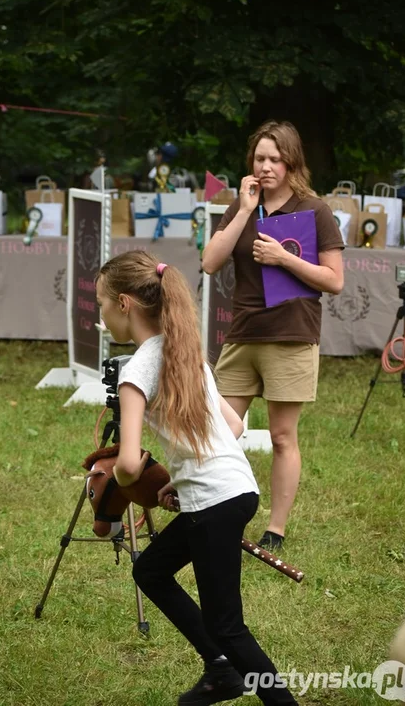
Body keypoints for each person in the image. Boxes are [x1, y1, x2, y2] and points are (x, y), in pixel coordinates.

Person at [95, 251, 299, 706]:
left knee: (229, 626)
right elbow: (234, 426)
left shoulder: (135, 372)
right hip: (233, 490)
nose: (101, 314)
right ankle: (221, 668)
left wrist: (128, 482)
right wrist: (182, 477)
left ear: (125, 304)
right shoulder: (183, 351)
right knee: (150, 568)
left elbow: (127, 464)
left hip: (213, 503)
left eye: (102, 304)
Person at [202, 120, 344, 552]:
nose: (265, 167)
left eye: (274, 160)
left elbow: (333, 280)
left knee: (282, 436)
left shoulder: (313, 210)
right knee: (220, 430)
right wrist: (244, 210)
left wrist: (284, 258)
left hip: (291, 335)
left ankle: (275, 529)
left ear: (291, 162)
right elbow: (209, 262)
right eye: (259, 159)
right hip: (244, 333)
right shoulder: (242, 204)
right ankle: (216, 511)